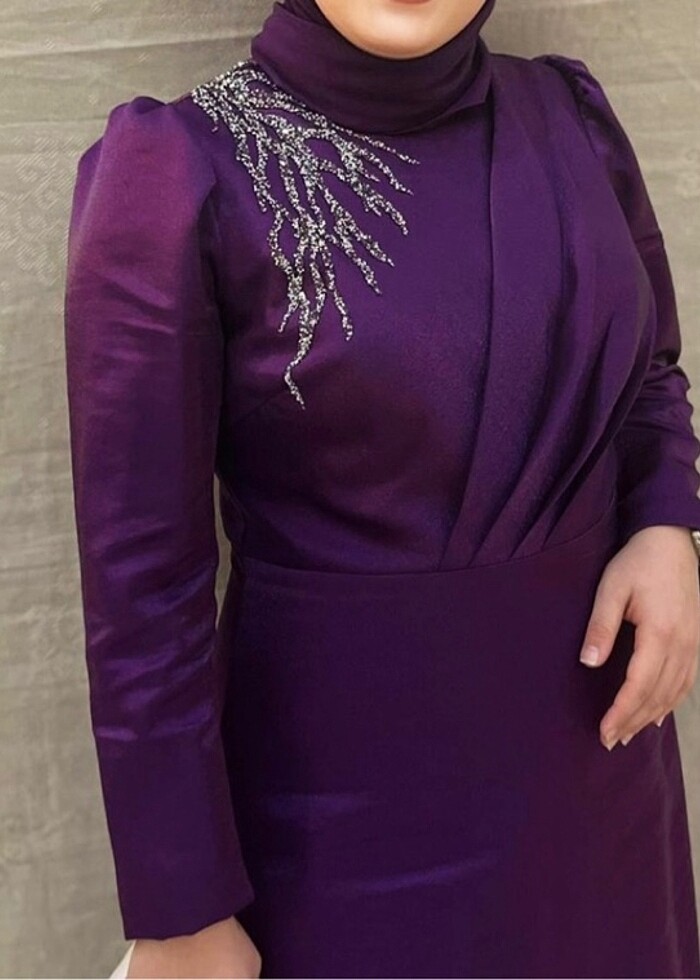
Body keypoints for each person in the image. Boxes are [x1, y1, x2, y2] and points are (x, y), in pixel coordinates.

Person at [63, 0, 700, 976]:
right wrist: (182, 912)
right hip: (341, 844)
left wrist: (666, 524)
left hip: (606, 803)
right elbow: (142, 590)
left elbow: (649, 373)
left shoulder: (572, 116)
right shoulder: (177, 171)